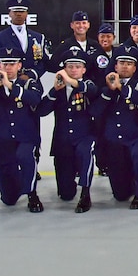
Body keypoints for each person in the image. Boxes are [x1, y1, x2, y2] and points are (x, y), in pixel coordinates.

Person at [0, 47, 45, 213]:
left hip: (26, 137)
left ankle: (32, 194)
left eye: (12, 64)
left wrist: (10, 86)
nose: (8, 68)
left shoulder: (29, 84)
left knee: (25, 155)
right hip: (3, 142)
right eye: (5, 64)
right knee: (8, 199)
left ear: (19, 65)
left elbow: (35, 99)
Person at [91, 44, 138, 209]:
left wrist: (121, 88)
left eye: (129, 63)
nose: (125, 66)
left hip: (137, 136)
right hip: (114, 139)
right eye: (121, 63)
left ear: (134, 67)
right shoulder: (105, 85)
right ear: (115, 65)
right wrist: (110, 91)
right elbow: (95, 111)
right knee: (120, 195)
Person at [41, 51, 98, 213]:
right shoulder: (58, 89)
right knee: (65, 194)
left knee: (86, 152)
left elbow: (92, 91)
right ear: (64, 68)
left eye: (78, 67)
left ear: (84, 70)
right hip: (63, 141)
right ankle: (69, 183)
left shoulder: (88, 85)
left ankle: (85, 193)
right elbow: (42, 111)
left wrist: (71, 82)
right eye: (70, 67)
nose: (73, 70)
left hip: (84, 136)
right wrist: (53, 91)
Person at [0, 0, 51, 75]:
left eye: (22, 11)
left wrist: (31, 75)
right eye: (15, 11)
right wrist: (8, 78)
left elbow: (44, 62)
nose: (18, 14)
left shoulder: (38, 37)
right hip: (8, 83)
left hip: (32, 83)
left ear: (27, 14)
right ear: (9, 13)